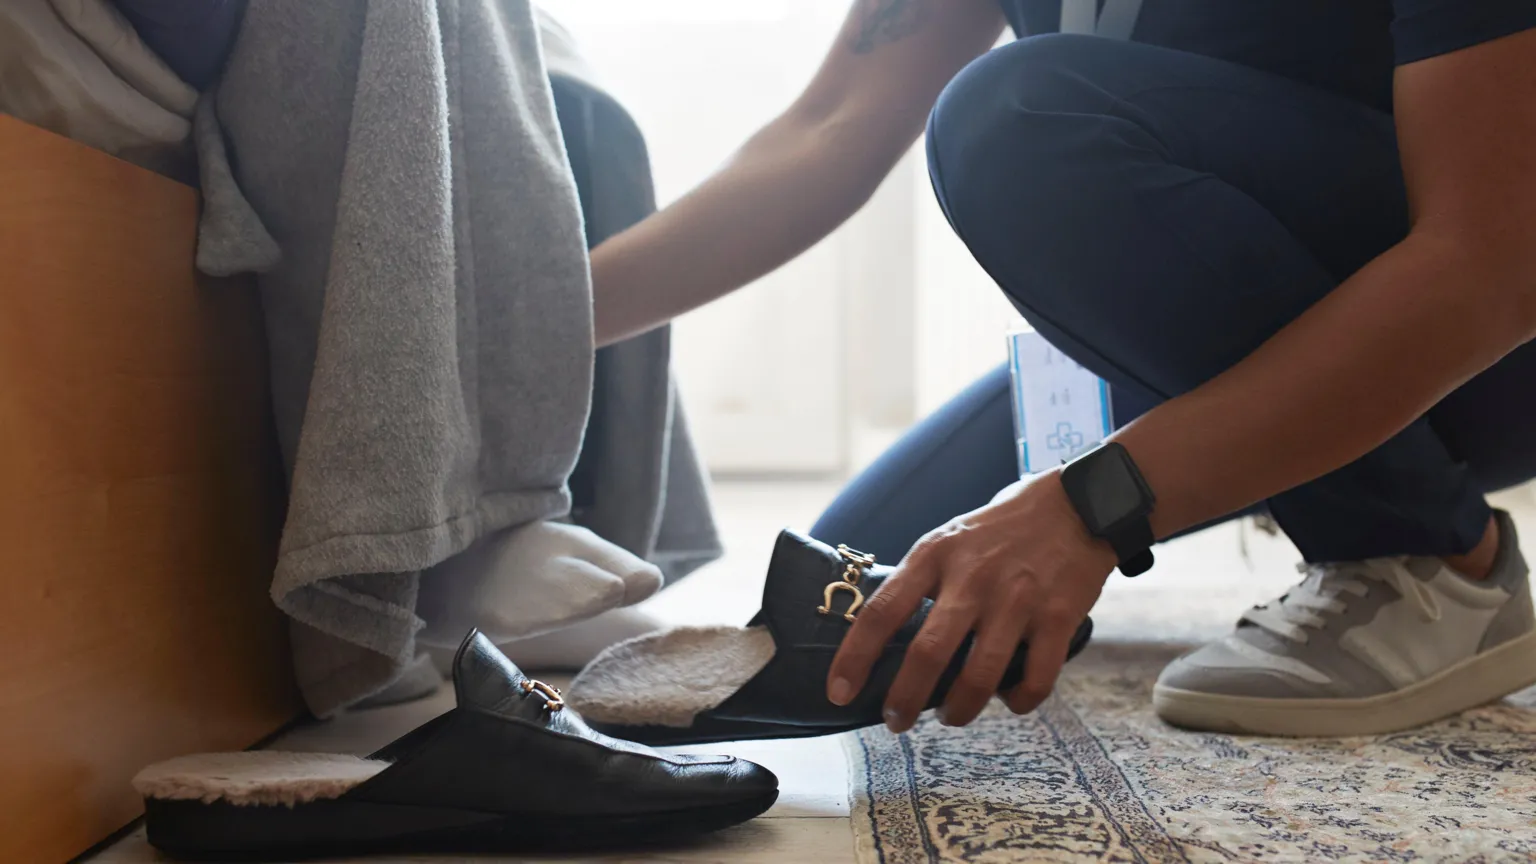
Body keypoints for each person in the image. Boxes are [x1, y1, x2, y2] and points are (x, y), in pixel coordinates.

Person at [589, 0, 1536, 737]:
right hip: (1191, 325)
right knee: (875, 598)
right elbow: (828, 126)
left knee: (1018, 114)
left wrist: (1096, 504)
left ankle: (1437, 559)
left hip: (1479, 356)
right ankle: (1321, 489)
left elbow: (1492, 267)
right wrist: (534, 334)